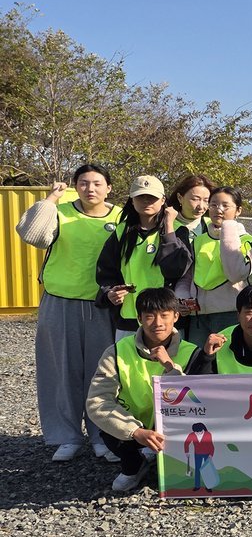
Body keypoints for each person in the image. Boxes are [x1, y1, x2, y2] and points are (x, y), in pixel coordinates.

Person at [16, 164, 123, 462]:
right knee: (61, 372)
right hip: (60, 301)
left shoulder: (119, 217)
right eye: (84, 183)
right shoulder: (60, 212)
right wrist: (52, 197)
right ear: (75, 186)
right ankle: (66, 436)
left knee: (103, 374)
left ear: (109, 188)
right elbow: (32, 235)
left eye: (97, 183)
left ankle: (103, 436)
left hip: (104, 305)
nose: (91, 189)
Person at [85, 287, 202, 491]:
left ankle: (171, 466)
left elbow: (198, 403)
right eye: (149, 316)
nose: (158, 323)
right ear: (139, 318)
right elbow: (98, 402)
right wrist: (135, 431)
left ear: (176, 316)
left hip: (176, 430)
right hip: (135, 429)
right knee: (110, 430)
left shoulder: (192, 352)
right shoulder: (116, 351)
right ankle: (134, 466)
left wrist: (170, 367)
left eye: (164, 315)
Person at [96, 175, 192, 341]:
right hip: (129, 319)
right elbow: (106, 271)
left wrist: (168, 227)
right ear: (132, 200)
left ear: (163, 200)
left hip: (166, 320)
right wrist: (109, 293)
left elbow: (176, 270)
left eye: (152, 197)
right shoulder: (121, 232)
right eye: (141, 197)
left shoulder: (177, 230)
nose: (146, 201)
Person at [183, 187, 252, 341]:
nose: (218, 209)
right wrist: (183, 299)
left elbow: (235, 273)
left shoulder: (247, 240)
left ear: (238, 210)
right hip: (199, 317)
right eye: (213, 205)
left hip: (231, 314)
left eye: (225, 205)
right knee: (198, 356)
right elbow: (187, 277)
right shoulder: (198, 241)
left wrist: (228, 227)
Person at [165, 174, 214, 242]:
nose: (201, 206)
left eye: (206, 200)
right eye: (195, 199)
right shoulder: (165, 224)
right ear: (180, 198)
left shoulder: (213, 226)